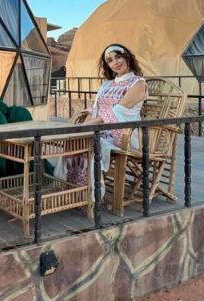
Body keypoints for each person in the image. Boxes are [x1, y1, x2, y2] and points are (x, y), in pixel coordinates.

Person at [62, 44, 147, 193]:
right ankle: (74, 189)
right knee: (74, 140)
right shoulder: (107, 85)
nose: (115, 62)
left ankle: (91, 193)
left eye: (118, 56)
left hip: (125, 132)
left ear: (127, 57)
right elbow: (96, 108)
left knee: (88, 141)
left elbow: (118, 111)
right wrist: (84, 127)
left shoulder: (138, 83)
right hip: (101, 128)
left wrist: (87, 127)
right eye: (110, 60)